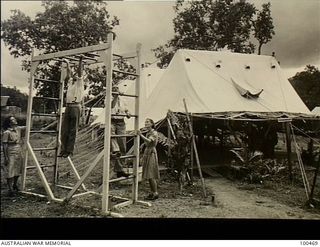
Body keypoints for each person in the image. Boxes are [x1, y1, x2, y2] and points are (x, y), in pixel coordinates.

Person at [59, 56, 86, 158]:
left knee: (72, 130)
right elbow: (69, 72)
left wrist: (80, 61)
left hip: (75, 106)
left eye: (76, 74)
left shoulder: (79, 82)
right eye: (73, 74)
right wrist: (67, 63)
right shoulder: (70, 82)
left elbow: (79, 72)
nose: (74, 75)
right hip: (68, 106)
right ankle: (63, 149)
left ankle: (69, 150)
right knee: (64, 129)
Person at [110, 85, 131, 177]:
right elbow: (112, 106)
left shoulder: (123, 100)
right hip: (112, 121)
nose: (115, 90)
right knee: (113, 140)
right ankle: (115, 150)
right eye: (113, 89)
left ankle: (120, 169)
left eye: (116, 88)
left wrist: (128, 113)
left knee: (123, 146)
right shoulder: (108, 98)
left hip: (121, 122)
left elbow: (126, 109)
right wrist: (115, 96)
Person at [2, 116, 25, 196]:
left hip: (18, 151)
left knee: (18, 169)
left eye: (15, 119)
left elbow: (29, 126)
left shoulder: (18, 129)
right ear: (9, 123)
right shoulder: (7, 132)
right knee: (10, 170)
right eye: (13, 119)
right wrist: (6, 157)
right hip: (10, 152)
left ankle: (15, 184)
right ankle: (10, 189)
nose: (15, 120)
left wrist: (32, 115)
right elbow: (4, 145)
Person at [138, 118, 160, 200]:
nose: (145, 123)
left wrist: (140, 135)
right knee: (148, 174)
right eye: (145, 122)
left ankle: (155, 192)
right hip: (147, 152)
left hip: (151, 153)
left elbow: (150, 141)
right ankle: (152, 192)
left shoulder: (154, 132)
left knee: (151, 174)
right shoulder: (148, 132)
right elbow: (147, 142)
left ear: (152, 123)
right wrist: (142, 146)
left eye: (147, 122)